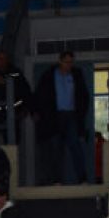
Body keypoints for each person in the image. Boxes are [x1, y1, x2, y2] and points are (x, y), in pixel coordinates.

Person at [34, 51, 92, 185]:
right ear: (60, 61)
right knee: (56, 148)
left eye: (71, 62)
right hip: (54, 116)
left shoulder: (77, 74)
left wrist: (80, 114)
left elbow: (84, 95)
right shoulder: (49, 75)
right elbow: (39, 95)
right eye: (66, 62)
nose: (69, 65)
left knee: (75, 146)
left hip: (71, 115)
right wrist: (37, 111)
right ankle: (57, 179)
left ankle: (82, 178)